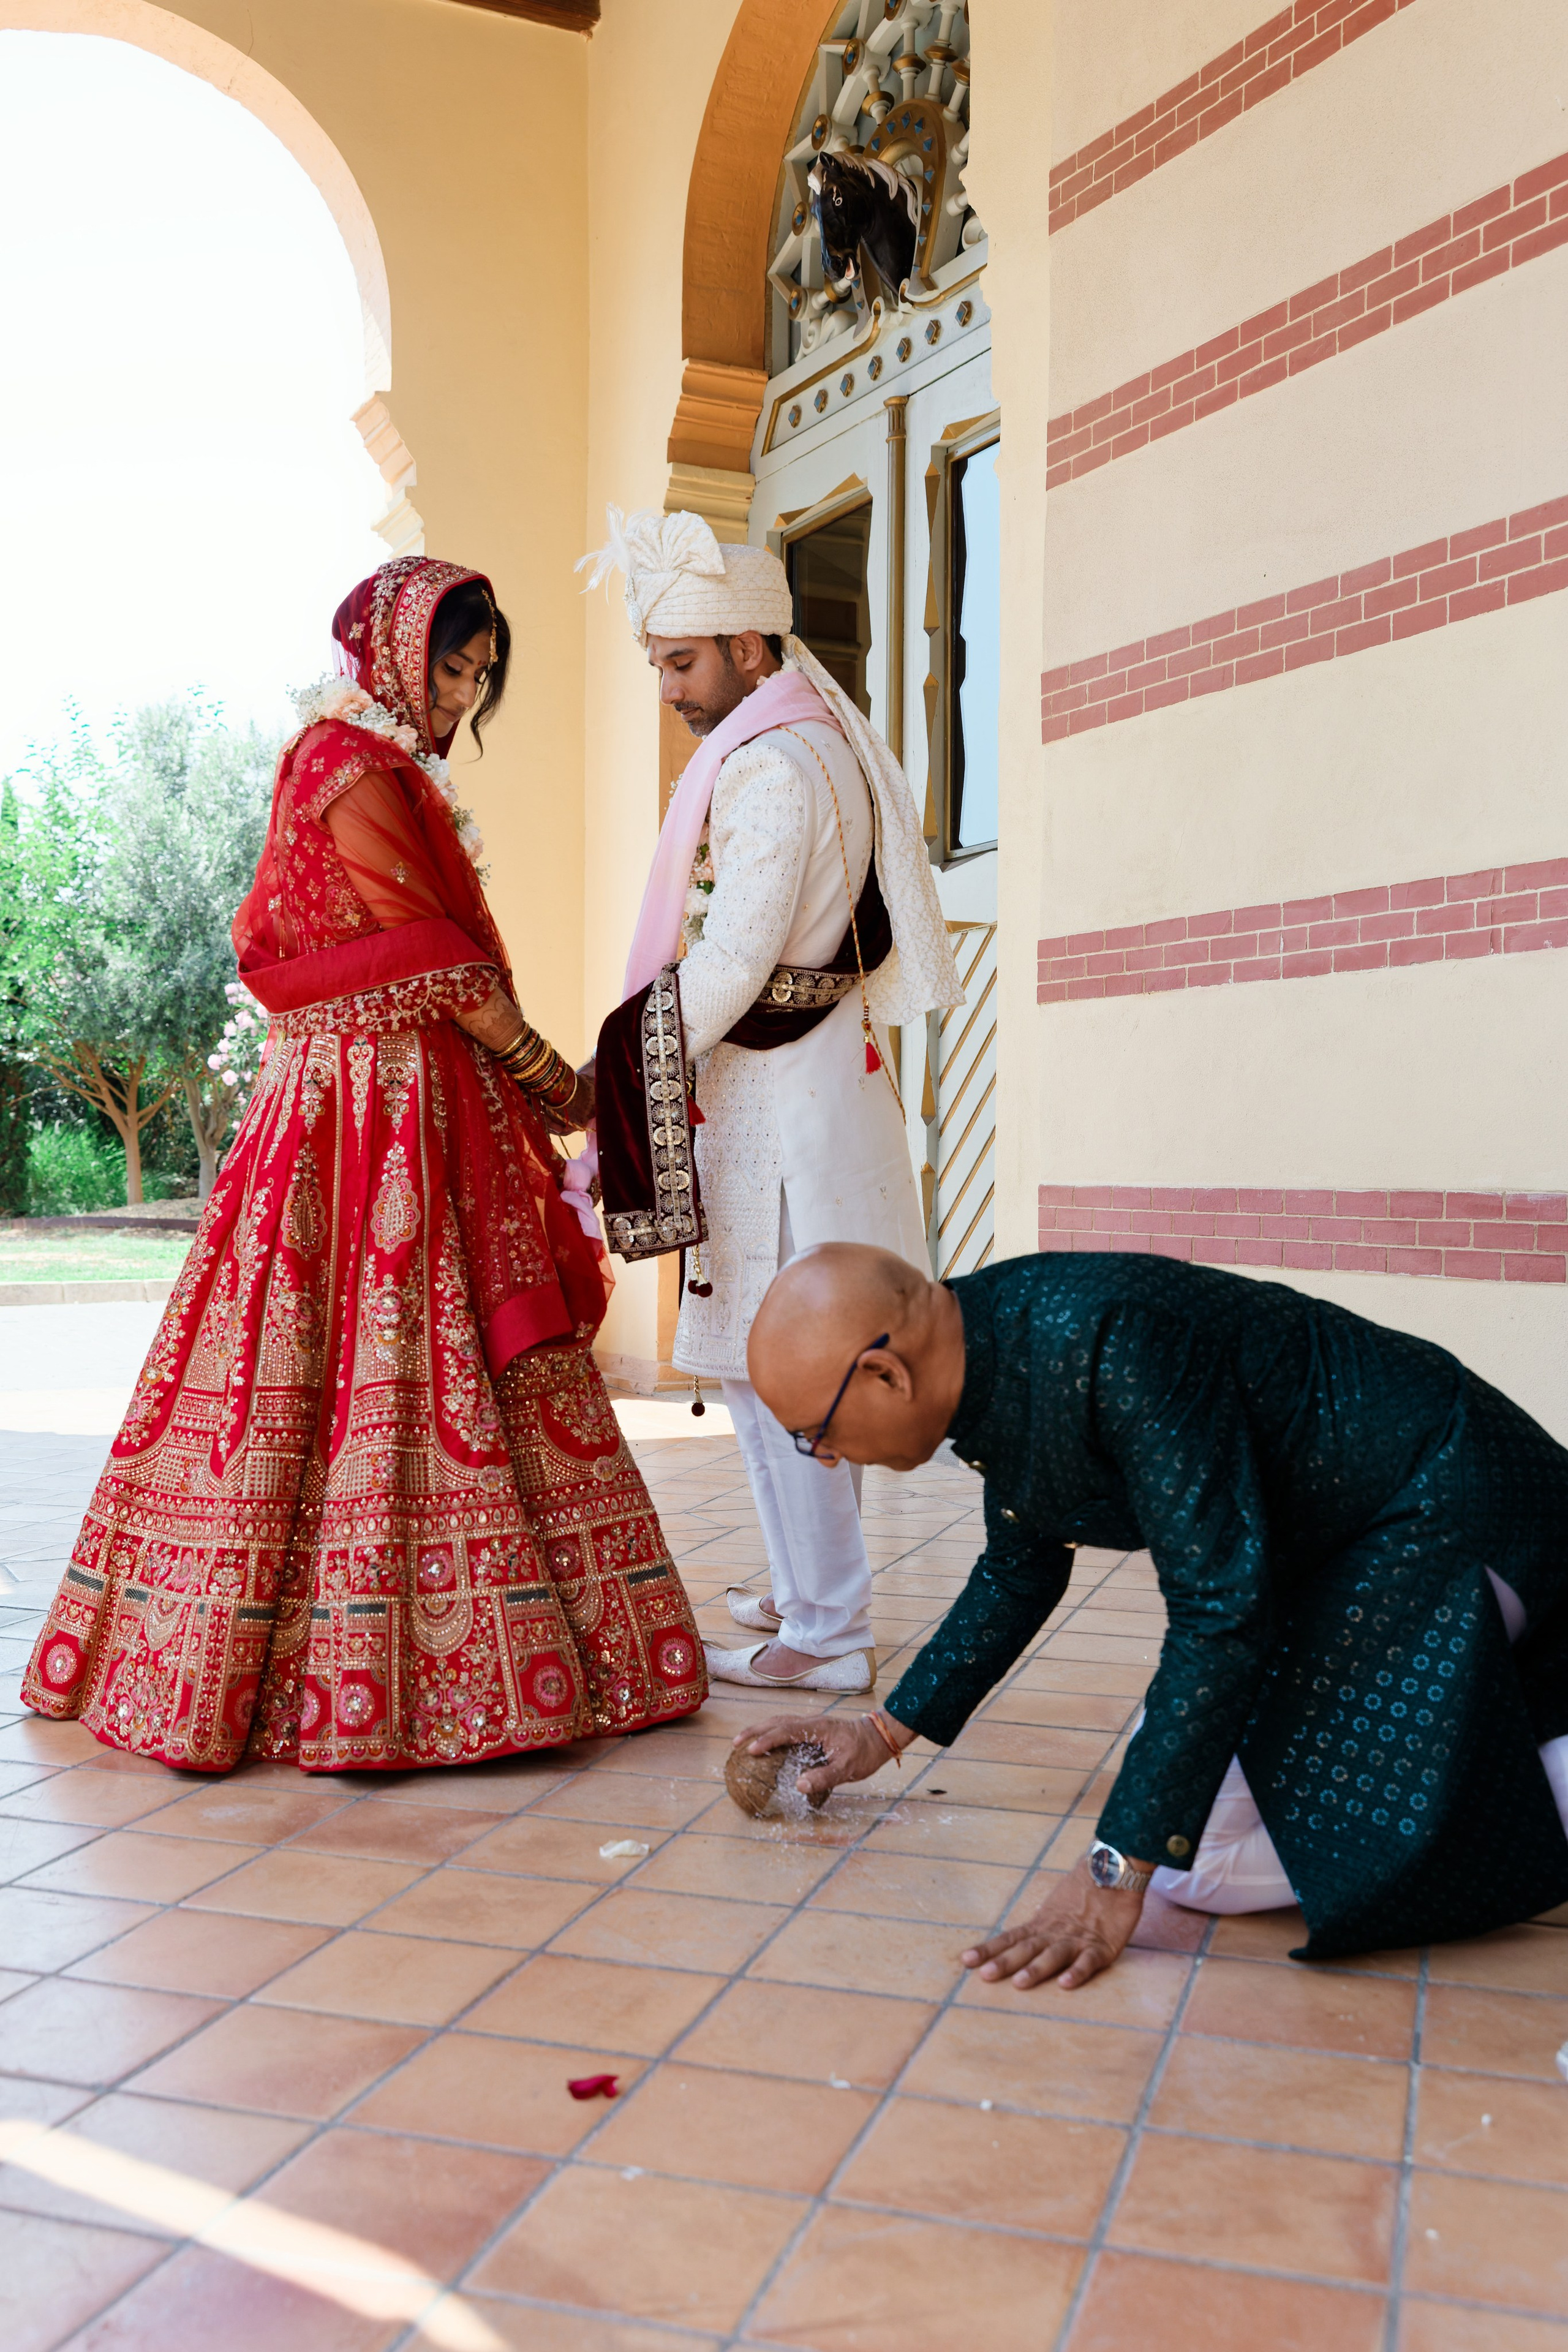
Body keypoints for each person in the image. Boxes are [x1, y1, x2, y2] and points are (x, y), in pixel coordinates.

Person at [22, 556, 706, 1771]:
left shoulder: (387, 770)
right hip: (360, 1106)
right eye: (451, 666)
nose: (460, 694)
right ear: (391, 651)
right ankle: (312, 1669)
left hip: (406, 1098)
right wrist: (555, 1078)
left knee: (433, 1345)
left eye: (480, 675)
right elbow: (434, 956)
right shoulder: (348, 769)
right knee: (327, 1353)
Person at [738, 1242, 1568, 1979]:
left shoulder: (1113, 1341)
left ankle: (1513, 1806)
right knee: (1176, 1812)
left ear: (887, 1374)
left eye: (818, 1433)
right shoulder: (992, 1341)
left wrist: (1114, 1872)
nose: (826, 1457)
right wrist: (882, 1735)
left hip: (1444, 1510)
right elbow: (1019, 1569)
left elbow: (1221, 1610)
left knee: (1187, 1852)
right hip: (1345, 1544)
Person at [579, 509, 960, 1695]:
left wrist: (612, 1073)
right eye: (654, 664)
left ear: (750, 647)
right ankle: (810, 1596)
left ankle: (825, 1634)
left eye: (680, 662)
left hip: (775, 1116)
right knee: (796, 1363)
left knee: (783, 1370)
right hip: (804, 1093)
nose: (666, 688)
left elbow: (734, 962)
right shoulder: (812, 744)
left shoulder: (770, 765)